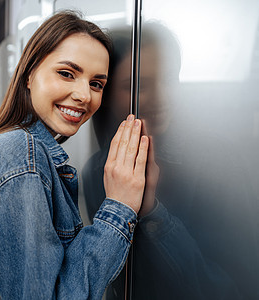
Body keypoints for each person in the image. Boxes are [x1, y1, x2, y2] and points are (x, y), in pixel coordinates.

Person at [0, 11, 150, 299]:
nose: (84, 95)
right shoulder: (18, 157)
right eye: (66, 73)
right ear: (29, 75)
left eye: (96, 83)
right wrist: (119, 206)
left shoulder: (20, 150)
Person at [84, 23, 258, 299]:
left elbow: (235, 288)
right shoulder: (98, 170)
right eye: (139, 86)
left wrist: (152, 212)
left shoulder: (219, 162)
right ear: (104, 95)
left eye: (168, 80)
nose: (161, 98)